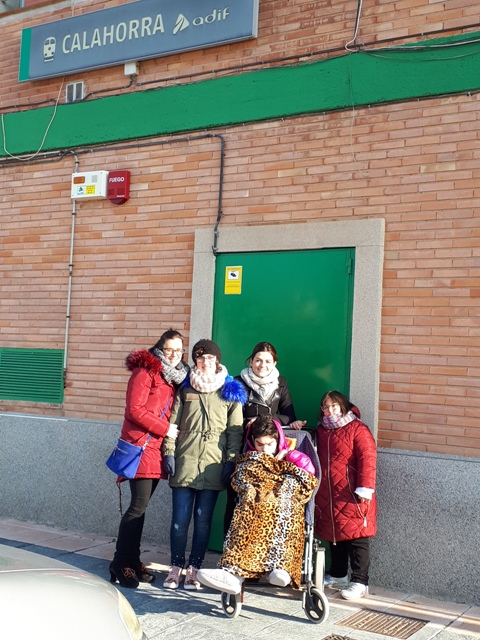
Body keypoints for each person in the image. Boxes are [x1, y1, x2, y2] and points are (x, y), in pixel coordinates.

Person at [197, 415, 317, 595]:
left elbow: (309, 475)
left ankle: (281, 566)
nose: (264, 450)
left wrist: (287, 457)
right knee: (245, 510)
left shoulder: (291, 453)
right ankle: (232, 575)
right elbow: (240, 480)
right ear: (253, 441)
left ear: (277, 440)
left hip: (284, 500)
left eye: (269, 444)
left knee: (285, 507)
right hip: (256, 505)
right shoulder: (250, 458)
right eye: (260, 444)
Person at [161, 339, 247, 590]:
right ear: (195, 362)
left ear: (217, 361)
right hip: (185, 461)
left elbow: (235, 432)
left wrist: (230, 461)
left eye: (209, 358)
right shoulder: (185, 390)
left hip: (213, 465)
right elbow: (172, 425)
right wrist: (168, 452)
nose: (205, 363)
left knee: (203, 520)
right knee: (180, 519)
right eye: (200, 359)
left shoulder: (230, 391)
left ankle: (194, 570)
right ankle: (175, 567)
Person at [109, 329, 189, 588]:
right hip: (141, 446)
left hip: (155, 449)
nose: (174, 354)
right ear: (159, 349)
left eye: (179, 350)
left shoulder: (174, 376)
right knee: (137, 507)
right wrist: (165, 429)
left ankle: (132, 560)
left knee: (141, 508)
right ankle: (121, 563)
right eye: (169, 349)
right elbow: (134, 410)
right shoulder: (146, 371)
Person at [224, 341, 307, 533]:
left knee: (266, 499)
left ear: (275, 363)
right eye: (258, 360)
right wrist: (248, 422)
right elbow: (231, 418)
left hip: (269, 451)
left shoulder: (281, 383)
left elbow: (289, 416)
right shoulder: (238, 384)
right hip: (244, 447)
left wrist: (262, 419)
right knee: (236, 499)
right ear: (251, 361)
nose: (263, 365)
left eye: (268, 361)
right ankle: (229, 546)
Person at [314, 390, 377, 600]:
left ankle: (360, 582)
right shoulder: (322, 431)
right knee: (335, 536)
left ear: (343, 406)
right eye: (326, 406)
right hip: (329, 492)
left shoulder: (357, 428)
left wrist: (365, 488)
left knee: (358, 537)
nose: (329, 410)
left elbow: (368, 458)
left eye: (334, 405)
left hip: (353, 492)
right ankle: (338, 574)